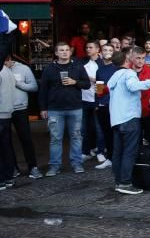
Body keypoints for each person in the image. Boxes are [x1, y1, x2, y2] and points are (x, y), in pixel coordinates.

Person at [108, 47, 150, 194]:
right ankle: (125, 183)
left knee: (118, 152)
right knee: (129, 152)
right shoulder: (129, 73)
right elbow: (134, 87)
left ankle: (119, 181)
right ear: (127, 60)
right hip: (129, 118)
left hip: (116, 119)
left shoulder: (115, 75)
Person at [38, 42, 91, 176]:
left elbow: (86, 84)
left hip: (75, 107)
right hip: (55, 109)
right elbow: (43, 89)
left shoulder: (77, 66)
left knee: (76, 137)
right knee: (55, 138)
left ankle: (77, 163)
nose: (65, 52)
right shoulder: (50, 69)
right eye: (61, 50)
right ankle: (55, 166)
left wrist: (75, 82)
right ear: (56, 53)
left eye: (67, 50)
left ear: (70, 52)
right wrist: (43, 108)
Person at [6, 55, 41, 179]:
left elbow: (34, 87)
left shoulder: (23, 69)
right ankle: (13, 168)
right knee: (6, 142)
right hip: (4, 110)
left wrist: (18, 84)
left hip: (20, 109)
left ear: (9, 59)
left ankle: (33, 167)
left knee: (26, 139)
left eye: (6, 62)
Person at [93, 43, 116, 171]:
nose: (107, 52)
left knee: (116, 133)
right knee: (106, 133)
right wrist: (97, 103)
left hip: (115, 105)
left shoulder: (117, 68)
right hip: (102, 105)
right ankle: (110, 158)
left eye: (110, 50)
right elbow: (98, 88)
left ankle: (116, 157)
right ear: (101, 53)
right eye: (105, 50)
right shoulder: (99, 70)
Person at [81, 41, 103, 163]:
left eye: (90, 47)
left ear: (97, 49)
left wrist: (91, 79)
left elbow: (103, 79)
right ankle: (85, 151)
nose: (88, 49)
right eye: (87, 47)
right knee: (83, 128)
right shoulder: (83, 63)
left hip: (97, 98)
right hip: (84, 98)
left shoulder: (102, 63)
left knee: (98, 127)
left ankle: (100, 150)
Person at [0, 63, 15, 190]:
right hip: (7, 112)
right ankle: (9, 177)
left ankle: (1, 179)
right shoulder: (8, 71)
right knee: (6, 146)